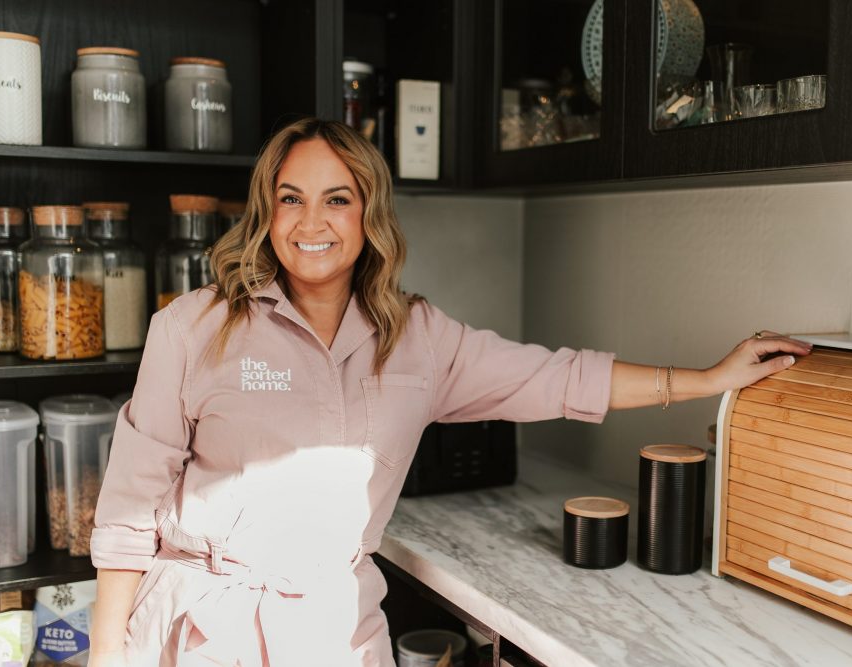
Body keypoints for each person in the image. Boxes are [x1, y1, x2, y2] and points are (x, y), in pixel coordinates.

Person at [87, 117, 811, 666]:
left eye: (336, 199)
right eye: (291, 199)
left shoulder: (418, 338)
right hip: (206, 635)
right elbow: (128, 511)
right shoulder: (191, 327)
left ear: (367, 213)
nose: (311, 222)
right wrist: (107, 654)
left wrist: (710, 380)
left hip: (338, 633)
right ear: (266, 213)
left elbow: (556, 377)